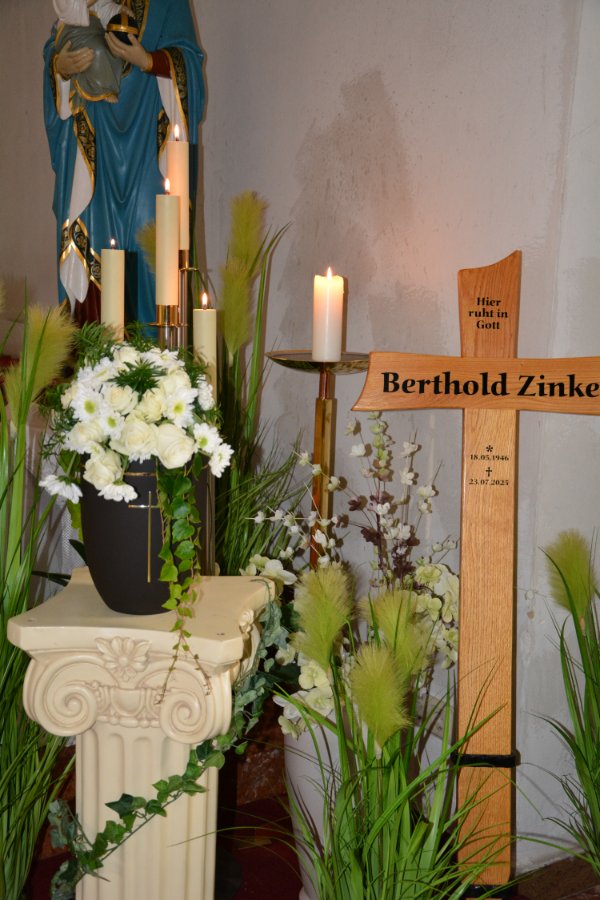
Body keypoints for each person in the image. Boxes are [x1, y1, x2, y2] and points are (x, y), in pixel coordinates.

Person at [44, 0, 205, 325]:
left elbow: (189, 64)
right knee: (93, 243)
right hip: (94, 151)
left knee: (153, 248)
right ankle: (94, 352)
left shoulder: (167, 3)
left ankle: (156, 350)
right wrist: (61, 67)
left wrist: (149, 61)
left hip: (146, 146)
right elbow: (57, 44)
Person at [53, 0, 127, 107]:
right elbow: (69, 8)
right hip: (74, 32)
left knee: (115, 53)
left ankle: (99, 84)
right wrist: (60, 67)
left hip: (95, 30)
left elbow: (103, 9)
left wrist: (119, 10)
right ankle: (100, 89)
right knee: (97, 51)